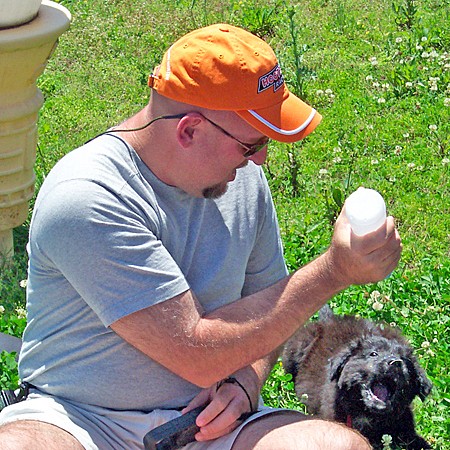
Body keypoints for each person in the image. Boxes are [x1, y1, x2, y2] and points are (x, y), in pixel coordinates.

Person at [0, 23, 401, 449]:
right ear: (189, 130)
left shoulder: (238, 177)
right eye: (252, 144)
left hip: (210, 424)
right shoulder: (86, 197)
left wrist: (247, 381)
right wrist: (333, 272)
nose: (261, 158)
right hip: (79, 419)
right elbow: (197, 353)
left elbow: (272, 313)